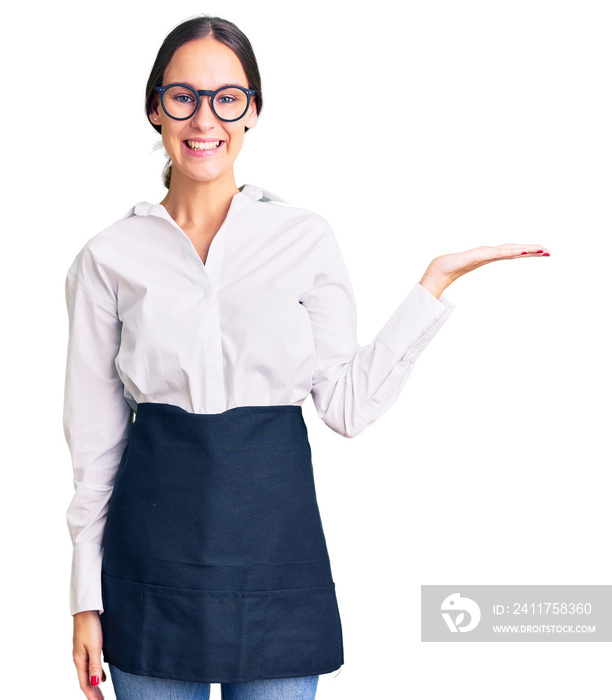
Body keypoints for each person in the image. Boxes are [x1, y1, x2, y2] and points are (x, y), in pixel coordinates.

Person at [64, 15, 550, 700]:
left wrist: (431, 285)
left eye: (227, 97)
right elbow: (94, 443)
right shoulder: (109, 257)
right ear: (155, 108)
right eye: (183, 96)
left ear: (252, 110)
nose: (205, 119)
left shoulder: (302, 237)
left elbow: (346, 408)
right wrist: (85, 597)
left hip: (276, 553)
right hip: (150, 559)